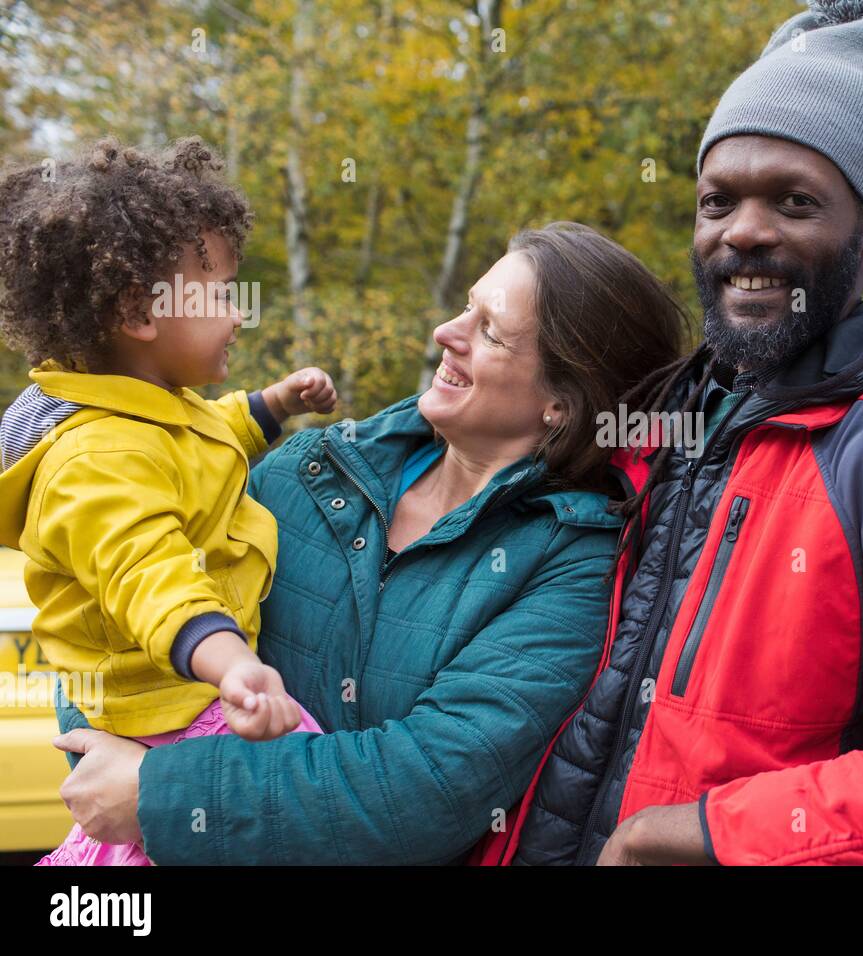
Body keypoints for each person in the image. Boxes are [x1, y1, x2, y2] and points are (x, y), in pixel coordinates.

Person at [496, 0, 863, 866]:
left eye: (795, 202)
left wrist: (694, 834)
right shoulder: (655, 423)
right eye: (717, 200)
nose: (746, 231)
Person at [41, 209, 689, 863]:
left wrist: (157, 797)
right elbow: (122, 602)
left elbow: (425, 791)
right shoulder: (310, 469)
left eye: (488, 331)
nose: (445, 332)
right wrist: (100, 751)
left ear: (562, 401)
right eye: (465, 308)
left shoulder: (568, 564)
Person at [0, 137, 334, 865]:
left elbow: (207, 439)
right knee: (285, 798)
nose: (238, 314)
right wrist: (227, 663)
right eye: (220, 295)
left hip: (178, 683)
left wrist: (273, 407)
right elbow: (146, 571)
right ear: (137, 312)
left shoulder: (154, 410)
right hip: (164, 696)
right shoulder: (98, 457)